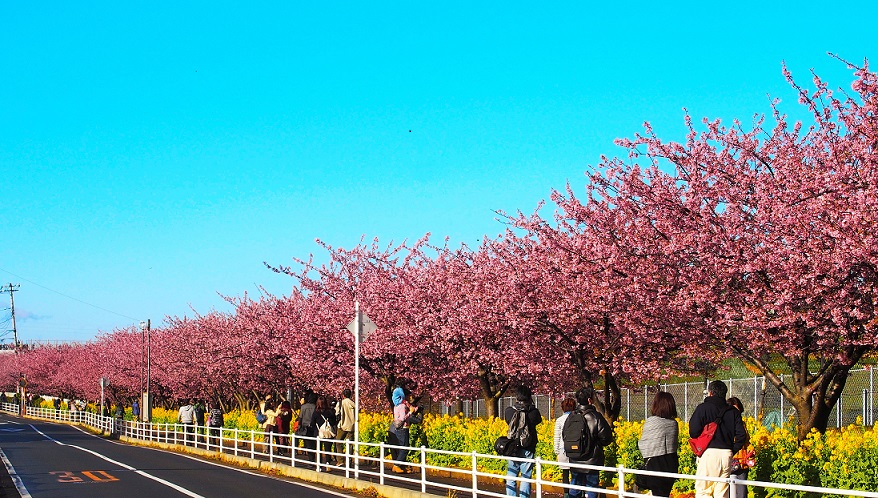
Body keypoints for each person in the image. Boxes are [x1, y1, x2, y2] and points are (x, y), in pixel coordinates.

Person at [689, 380, 748, 498]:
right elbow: (742, 435)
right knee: (722, 492)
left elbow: (693, 432)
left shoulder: (703, 408)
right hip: (726, 454)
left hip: (708, 453)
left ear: (710, 393)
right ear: (724, 394)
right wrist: (732, 450)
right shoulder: (733, 412)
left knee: (703, 491)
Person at [567, 387, 614, 498]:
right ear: (589, 400)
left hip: (574, 458)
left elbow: (565, 435)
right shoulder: (595, 417)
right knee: (591, 488)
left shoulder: (571, 416)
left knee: (575, 486)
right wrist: (595, 444)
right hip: (592, 460)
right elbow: (606, 438)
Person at [637, 392, 680, 498]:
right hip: (671, 463)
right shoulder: (674, 424)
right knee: (664, 494)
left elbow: (643, 444)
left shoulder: (651, 421)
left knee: (657, 494)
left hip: (654, 463)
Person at [504, 384, 543, 498]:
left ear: (516, 397)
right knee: (526, 476)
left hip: (512, 447)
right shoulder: (533, 412)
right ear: (529, 397)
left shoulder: (509, 411)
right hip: (527, 447)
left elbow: (508, 421)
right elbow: (538, 420)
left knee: (511, 473)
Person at [389, 385, 420, 474]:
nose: (409, 397)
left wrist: (412, 409)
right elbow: (402, 418)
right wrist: (410, 412)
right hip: (403, 428)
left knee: (403, 447)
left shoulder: (397, 405)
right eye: (407, 396)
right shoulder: (402, 406)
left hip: (400, 428)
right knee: (405, 448)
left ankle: (400, 465)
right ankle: (396, 465)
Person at [727, 397, 753, 498]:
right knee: (727, 491)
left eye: (737, 411)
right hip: (729, 463)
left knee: (741, 493)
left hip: (742, 463)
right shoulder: (724, 424)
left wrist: (751, 450)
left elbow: (746, 441)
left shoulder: (742, 424)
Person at [553, 397, 576, 497]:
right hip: (576, 450)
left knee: (565, 474)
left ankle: (566, 494)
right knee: (576, 474)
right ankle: (577, 493)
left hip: (563, 450)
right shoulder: (578, 418)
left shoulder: (559, 420)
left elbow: (557, 436)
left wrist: (556, 451)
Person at [313, 395, 338, 469]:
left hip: (318, 433)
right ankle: (328, 463)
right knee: (328, 449)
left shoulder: (316, 413)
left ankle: (319, 465)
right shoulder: (330, 412)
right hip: (328, 432)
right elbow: (333, 422)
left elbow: (312, 423)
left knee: (319, 449)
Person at [335, 388, 356, 463]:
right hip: (352, 427)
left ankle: (340, 460)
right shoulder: (353, 403)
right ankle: (349, 461)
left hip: (342, 426)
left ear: (343, 395)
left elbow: (337, 414)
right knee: (350, 444)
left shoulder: (340, 403)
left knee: (338, 442)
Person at [297, 392, 317, 459]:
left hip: (305, 427)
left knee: (308, 443)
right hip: (314, 427)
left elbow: (300, 417)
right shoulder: (315, 407)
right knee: (313, 443)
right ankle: (313, 457)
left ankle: (310, 458)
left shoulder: (303, 407)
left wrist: (299, 426)